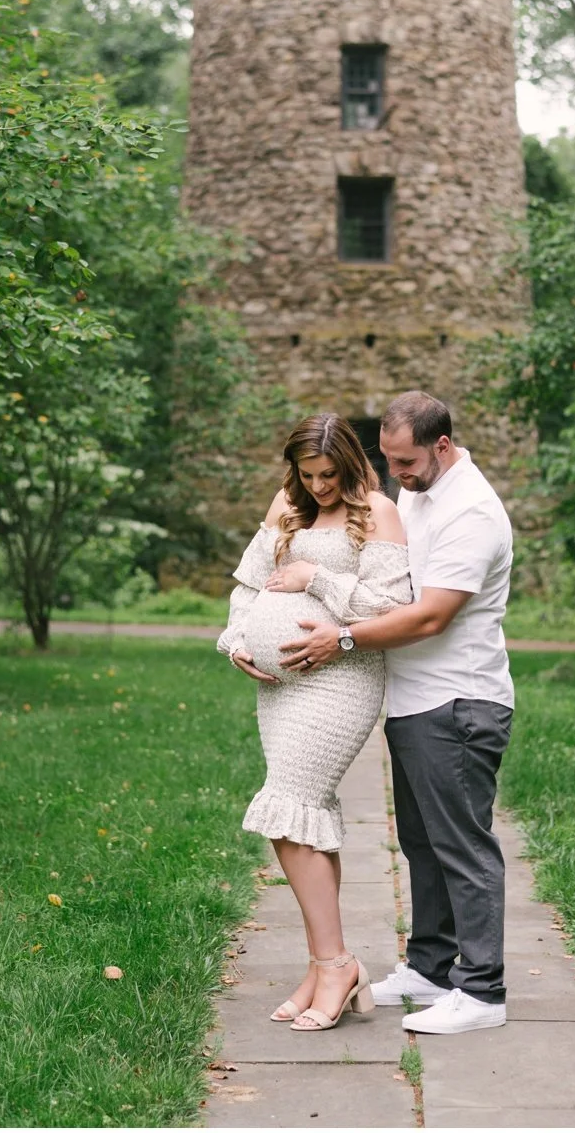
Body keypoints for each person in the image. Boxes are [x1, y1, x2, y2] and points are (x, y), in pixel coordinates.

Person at [279, 391, 515, 1035]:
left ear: (443, 445)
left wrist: (344, 638)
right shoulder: (419, 490)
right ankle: (430, 967)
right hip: (414, 700)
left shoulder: (473, 512)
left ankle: (482, 990)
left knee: (462, 845)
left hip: (460, 700)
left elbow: (432, 613)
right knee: (421, 844)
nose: (395, 474)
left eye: (405, 462)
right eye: (386, 460)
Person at [218, 413, 412, 1032]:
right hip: (280, 688)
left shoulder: (377, 511)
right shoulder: (286, 505)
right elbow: (249, 585)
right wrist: (237, 640)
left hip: (344, 676)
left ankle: (337, 964)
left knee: (287, 806)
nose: (320, 486)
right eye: (309, 475)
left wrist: (314, 578)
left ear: (351, 464)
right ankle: (322, 964)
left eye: (330, 474)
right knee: (305, 817)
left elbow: (393, 604)